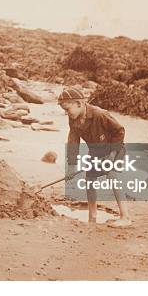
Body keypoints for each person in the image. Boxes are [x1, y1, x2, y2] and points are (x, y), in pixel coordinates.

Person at [58, 87, 132, 227]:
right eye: (64, 111)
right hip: (95, 151)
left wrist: (110, 157)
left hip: (114, 148)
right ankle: (92, 216)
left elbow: (119, 131)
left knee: (111, 174)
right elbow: (73, 141)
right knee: (90, 179)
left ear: (79, 104)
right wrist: (72, 166)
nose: (66, 113)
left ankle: (125, 217)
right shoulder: (73, 119)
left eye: (67, 109)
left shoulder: (99, 114)